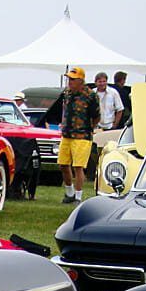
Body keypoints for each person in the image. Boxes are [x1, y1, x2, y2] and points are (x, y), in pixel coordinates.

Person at [58, 66, 99, 203]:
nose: (70, 82)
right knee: (63, 164)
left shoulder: (90, 95)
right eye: (69, 79)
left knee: (78, 167)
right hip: (67, 134)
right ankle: (69, 193)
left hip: (82, 136)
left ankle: (78, 196)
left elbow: (96, 116)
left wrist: (89, 128)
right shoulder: (67, 93)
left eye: (73, 79)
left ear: (81, 80)